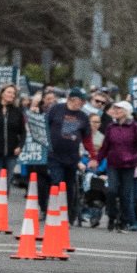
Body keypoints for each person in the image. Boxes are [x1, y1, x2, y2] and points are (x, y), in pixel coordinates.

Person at [42, 88, 96, 223]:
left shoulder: (83, 116)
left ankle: (66, 214)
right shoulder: (56, 109)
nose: (83, 103)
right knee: (56, 182)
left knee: (69, 186)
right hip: (54, 155)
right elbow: (44, 126)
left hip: (72, 157)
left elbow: (87, 139)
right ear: (71, 99)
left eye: (84, 101)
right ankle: (51, 210)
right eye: (80, 100)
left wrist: (93, 156)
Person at [94, 101, 137, 232]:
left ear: (126, 111)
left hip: (129, 164)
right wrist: (97, 160)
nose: (116, 111)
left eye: (119, 109)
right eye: (115, 109)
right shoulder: (111, 127)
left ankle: (124, 221)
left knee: (126, 194)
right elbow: (105, 146)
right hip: (113, 163)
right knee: (111, 190)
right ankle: (112, 216)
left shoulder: (134, 127)